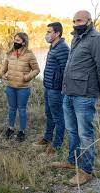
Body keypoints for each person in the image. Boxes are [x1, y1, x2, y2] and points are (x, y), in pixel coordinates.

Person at [52, 10, 100, 186]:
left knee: (85, 133)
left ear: (89, 21)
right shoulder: (76, 38)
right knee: (72, 131)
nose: (75, 23)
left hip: (85, 96)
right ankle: (72, 160)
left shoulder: (96, 39)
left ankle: (86, 171)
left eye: (79, 20)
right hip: (69, 94)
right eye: (73, 20)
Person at [33, 22, 69, 155]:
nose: (46, 35)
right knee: (49, 114)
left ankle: (56, 145)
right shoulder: (53, 47)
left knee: (58, 117)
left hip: (56, 89)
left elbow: (66, 71)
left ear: (57, 33)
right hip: (48, 87)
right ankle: (47, 138)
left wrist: (60, 87)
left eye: (49, 32)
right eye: (47, 32)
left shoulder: (63, 48)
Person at [0, 32, 40, 142]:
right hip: (10, 87)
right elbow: (3, 69)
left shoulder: (29, 55)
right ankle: (11, 128)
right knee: (12, 109)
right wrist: (2, 75)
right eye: (15, 40)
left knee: (22, 109)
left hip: (23, 88)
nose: (15, 42)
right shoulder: (10, 53)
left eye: (18, 40)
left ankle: (22, 131)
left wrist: (27, 77)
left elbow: (36, 69)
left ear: (23, 42)